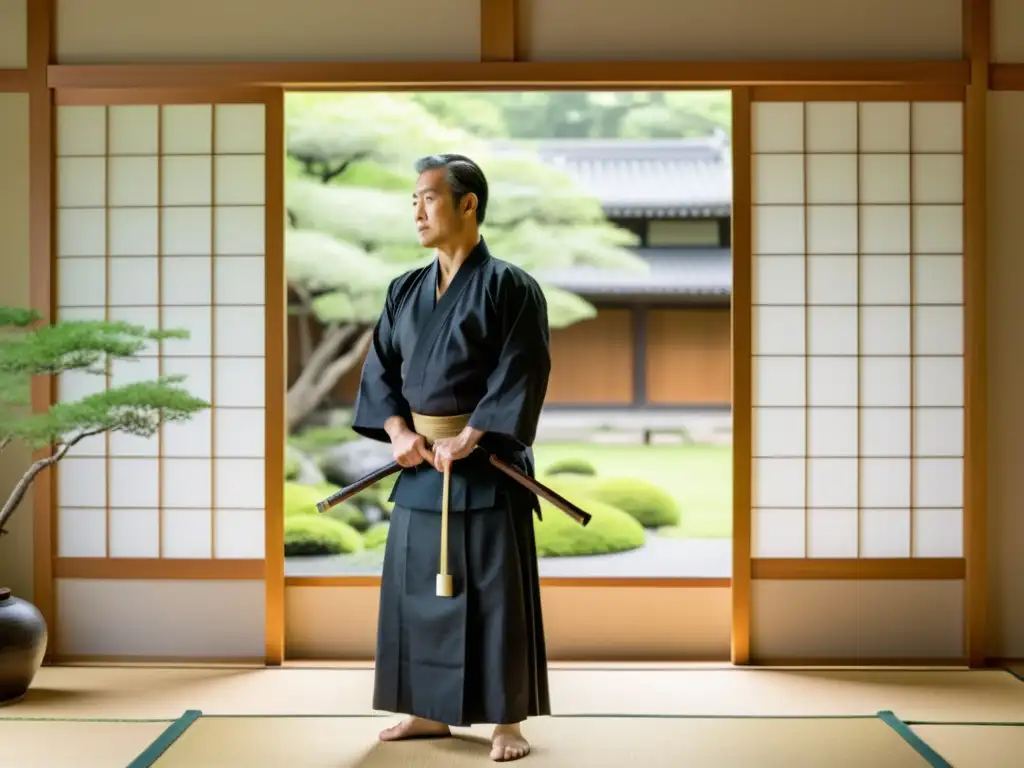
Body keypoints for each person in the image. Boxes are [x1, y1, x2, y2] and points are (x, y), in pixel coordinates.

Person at [350, 153, 552, 762]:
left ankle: (506, 722)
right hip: (418, 468)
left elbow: (523, 368)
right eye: (413, 199)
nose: (417, 211)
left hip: (486, 465)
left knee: (495, 598)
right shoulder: (403, 290)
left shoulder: (510, 286)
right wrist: (396, 431)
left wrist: (476, 434)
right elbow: (380, 370)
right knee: (417, 595)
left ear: (468, 204)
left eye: (428, 198)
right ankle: (426, 711)